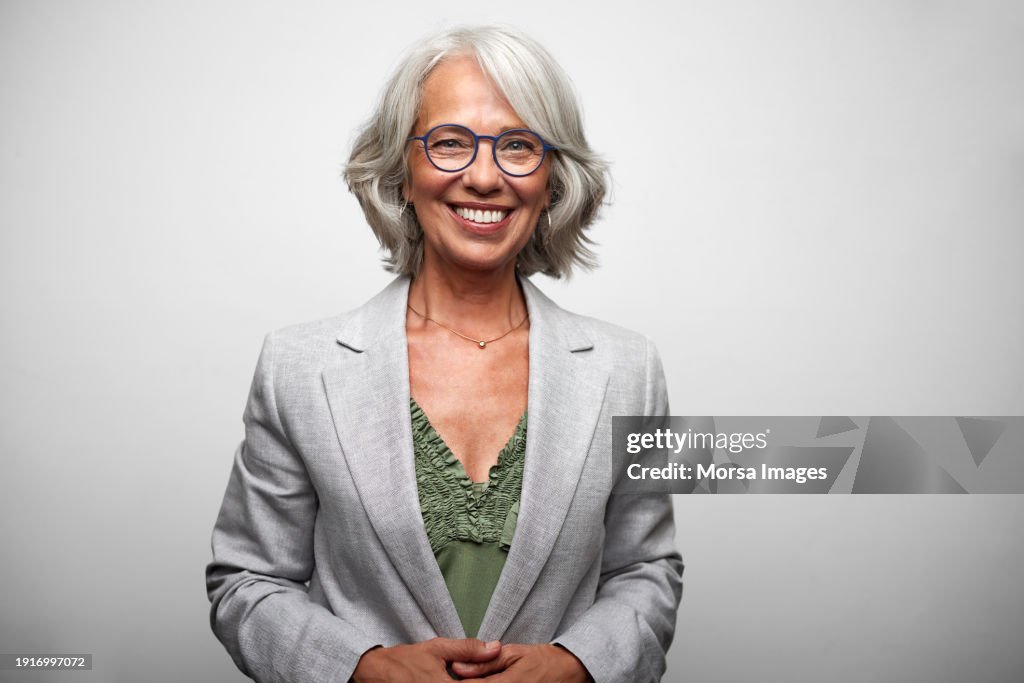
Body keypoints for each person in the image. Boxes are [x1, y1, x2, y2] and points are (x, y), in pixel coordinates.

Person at [207, 25, 682, 683]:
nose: (484, 177)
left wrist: (577, 663)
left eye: (518, 145)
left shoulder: (628, 368)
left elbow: (644, 568)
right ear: (402, 170)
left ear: (551, 178)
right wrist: (359, 667)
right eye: (451, 143)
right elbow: (247, 581)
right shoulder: (299, 367)